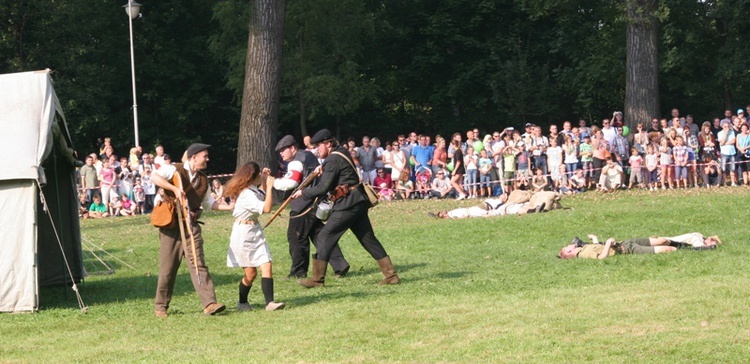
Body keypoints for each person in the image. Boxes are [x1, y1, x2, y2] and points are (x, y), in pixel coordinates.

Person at [290, 129, 399, 288]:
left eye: (318, 146)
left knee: (324, 236)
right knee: (367, 238)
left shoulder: (332, 160)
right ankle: (391, 276)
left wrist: (303, 192)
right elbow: (338, 175)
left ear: (328, 144)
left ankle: (317, 279)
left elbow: (322, 188)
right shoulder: (341, 152)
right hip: (357, 201)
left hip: (347, 204)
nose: (316, 150)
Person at [150, 143, 234, 318]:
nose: (208, 159)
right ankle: (160, 306)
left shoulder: (203, 180)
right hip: (171, 225)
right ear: (194, 157)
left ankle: (209, 304)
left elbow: (210, 204)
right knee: (168, 268)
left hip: (191, 225)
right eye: (205, 156)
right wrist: (174, 188)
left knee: (198, 263)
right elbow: (154, 177)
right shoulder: (174, 169)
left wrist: (231, 207)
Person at [273, 135, 350, 279]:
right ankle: (340, 265)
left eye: (284, 150)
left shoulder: (296, 161)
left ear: (293, 148)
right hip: (314, 203)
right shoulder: (307, 156)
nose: (281, 154)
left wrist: (273, 182)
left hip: (303, 206)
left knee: (296, 238)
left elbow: (290, 183)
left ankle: (298, 272)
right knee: (320, 236)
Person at [223, 162, 285, 312]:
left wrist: (263, 180)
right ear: (252, 177)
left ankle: (270, 303)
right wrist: (270, 186)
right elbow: (267, 207)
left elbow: (261, 196)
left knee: (267, 264)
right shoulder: (246, 194)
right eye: (259, 175)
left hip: (254, 230)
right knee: (250, 274)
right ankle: (242, 302)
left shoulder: (252, 190)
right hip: (243, 234)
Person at [558, 233, 720, 260]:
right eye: (568, 247)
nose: (570, 245)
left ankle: (697, 242)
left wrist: (595, 239)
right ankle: (701, 249)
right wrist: (608, 243)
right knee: (668, 250)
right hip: (627, 250)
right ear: (570, 252)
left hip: (627, 242)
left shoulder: (584, 249)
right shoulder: (583, 255)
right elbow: (602, 257)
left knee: (663, 240)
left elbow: (597, 248)